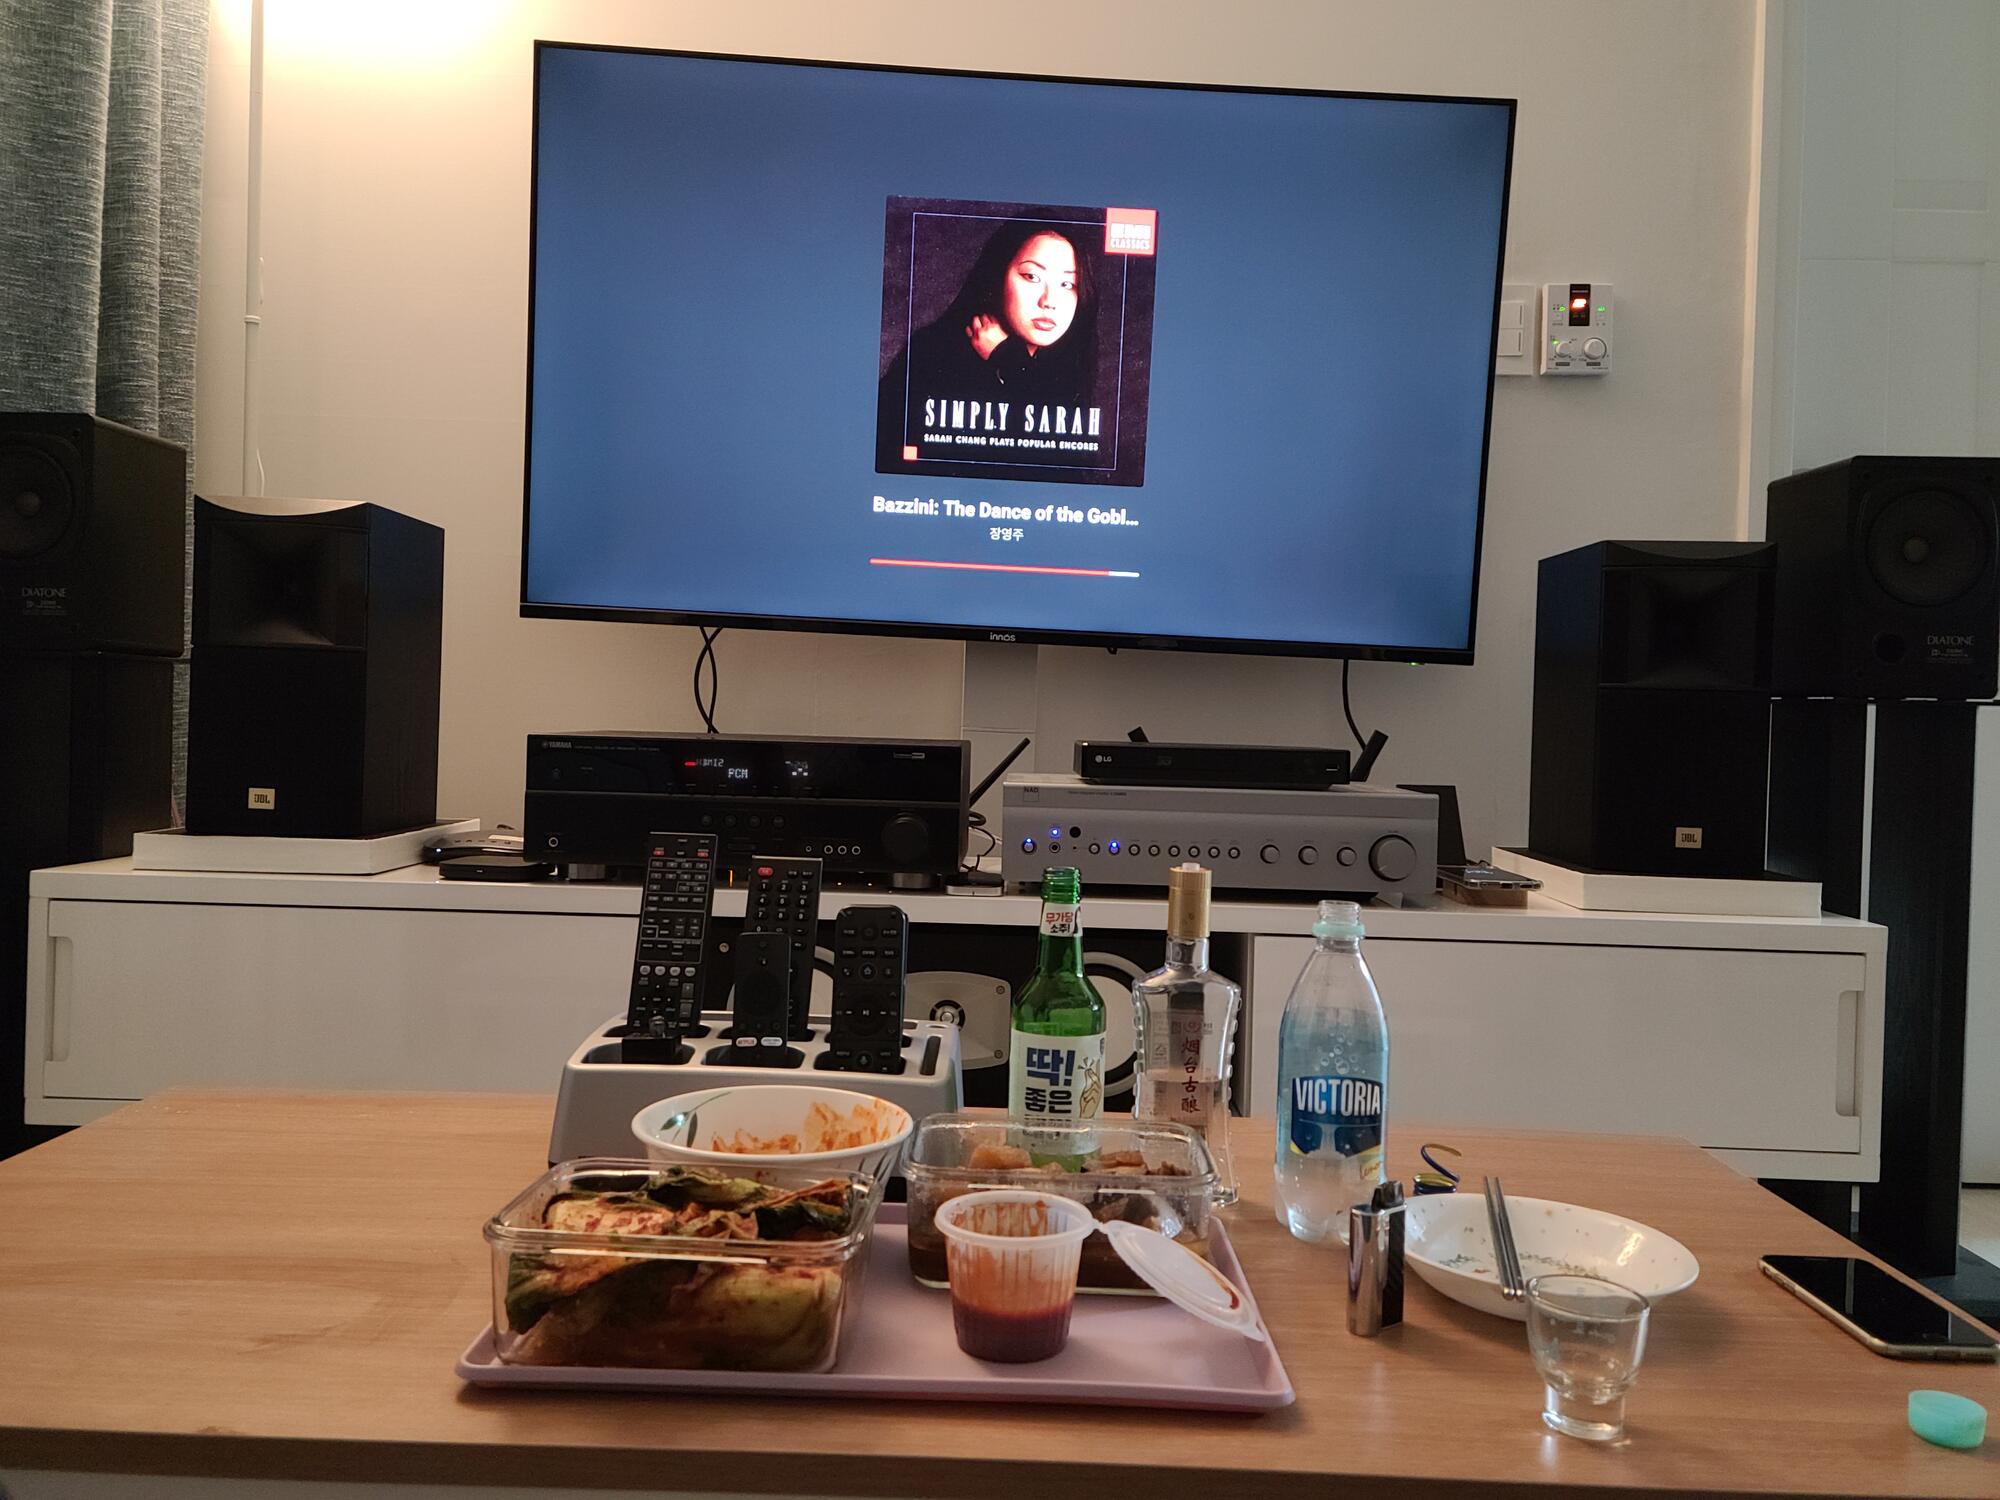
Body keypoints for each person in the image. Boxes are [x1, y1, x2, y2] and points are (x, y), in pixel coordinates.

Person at [877, 218, 1101, 467]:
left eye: (1067, 284)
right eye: (1032, 276)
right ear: (997, 276)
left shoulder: (1065, 363)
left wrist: (1009, 359)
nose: (1049, 301)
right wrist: (1008, 357)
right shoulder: (935, 353)